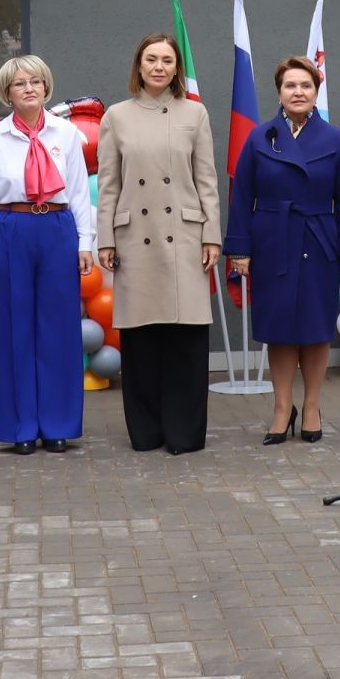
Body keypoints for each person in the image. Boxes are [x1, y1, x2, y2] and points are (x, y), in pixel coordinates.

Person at [223, 57, 340, 444]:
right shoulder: (259, 136)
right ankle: (282, 408)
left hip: (319, 241)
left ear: (316, 91)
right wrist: (240, 248)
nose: (298, 92)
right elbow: (241, 196)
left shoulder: (335, 139)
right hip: (272, 241)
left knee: (316, 329)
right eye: (290, 86)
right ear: (279, 92)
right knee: (281, 329)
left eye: (305, 85)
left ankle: (313, 406)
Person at [96, 34, 223, 454]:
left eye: (167, 60)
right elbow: (109, 183)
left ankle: (184, 434)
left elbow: (207, 180)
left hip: (185, 237)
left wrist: (210, 234)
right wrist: (105, 239)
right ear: (139, 65)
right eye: (151, 59)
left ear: (176, 68)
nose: (158, 67)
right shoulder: (116, 116)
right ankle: (146, 432)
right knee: (142, 341)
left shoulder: (195, 113)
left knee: (185, 341)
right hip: (135, 238)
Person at [0, 55, 95, 454]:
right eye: (20, 83)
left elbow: (78, 192)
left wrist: (84, 243)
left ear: (46, 87)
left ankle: (58, 424)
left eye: (36, 81)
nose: (29, 88)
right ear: (7, 92)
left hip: (58, 228)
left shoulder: (67, 133)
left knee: (59, 328)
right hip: (11, 230)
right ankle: (21, 427)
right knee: (14, 328)